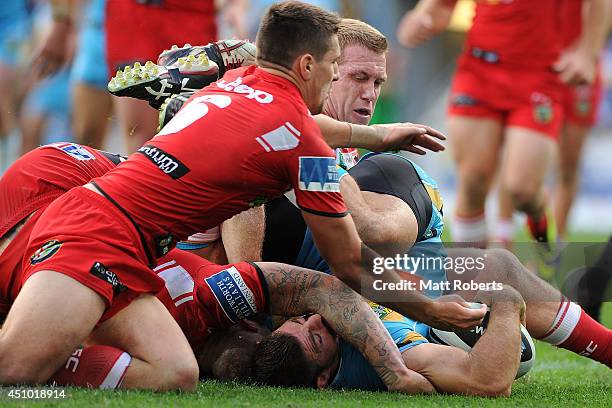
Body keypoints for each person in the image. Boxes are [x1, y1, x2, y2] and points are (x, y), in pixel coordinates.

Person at [2, 1, 479, 390]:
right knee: (16, 372)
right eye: (336, 68)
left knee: (176, 373)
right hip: (98, 231)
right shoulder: (303, 148)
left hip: (129, 234)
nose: (337, 80)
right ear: (307, 65)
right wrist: (430, 309)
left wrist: (377, 136)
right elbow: (351, 263)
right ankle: (43, 350)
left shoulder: (240, 80)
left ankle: (63, 351)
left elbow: (304, 121)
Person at [397, 0, 608, 248]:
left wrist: (588, 52)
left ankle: (544, 226)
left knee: (523, 189)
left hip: (539, 76)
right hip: (479, 69)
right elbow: (441, 7)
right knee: (473, 179)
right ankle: (473, 279)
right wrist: (423, 18)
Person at [255, 286, 525, 396]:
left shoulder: (280, 329)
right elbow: (488, 380)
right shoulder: (390, 354)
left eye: (300, 319)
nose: (316, 320)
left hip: (423, 296)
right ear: (322, 379)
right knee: (502, 265)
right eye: (316, 339)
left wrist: (428, 308)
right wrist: (507, 301)